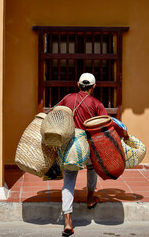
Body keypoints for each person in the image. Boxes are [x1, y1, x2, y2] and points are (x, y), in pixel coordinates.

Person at [58, 73, 108, 236]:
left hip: (69, 147)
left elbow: (56, 114)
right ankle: (90, 198)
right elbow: (104, 125)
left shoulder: (67, 98)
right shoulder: (96, 103)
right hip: (87, 147)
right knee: (92, 169)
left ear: (78, 85)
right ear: (94, 87)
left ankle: (67, 220)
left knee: (69, 179)